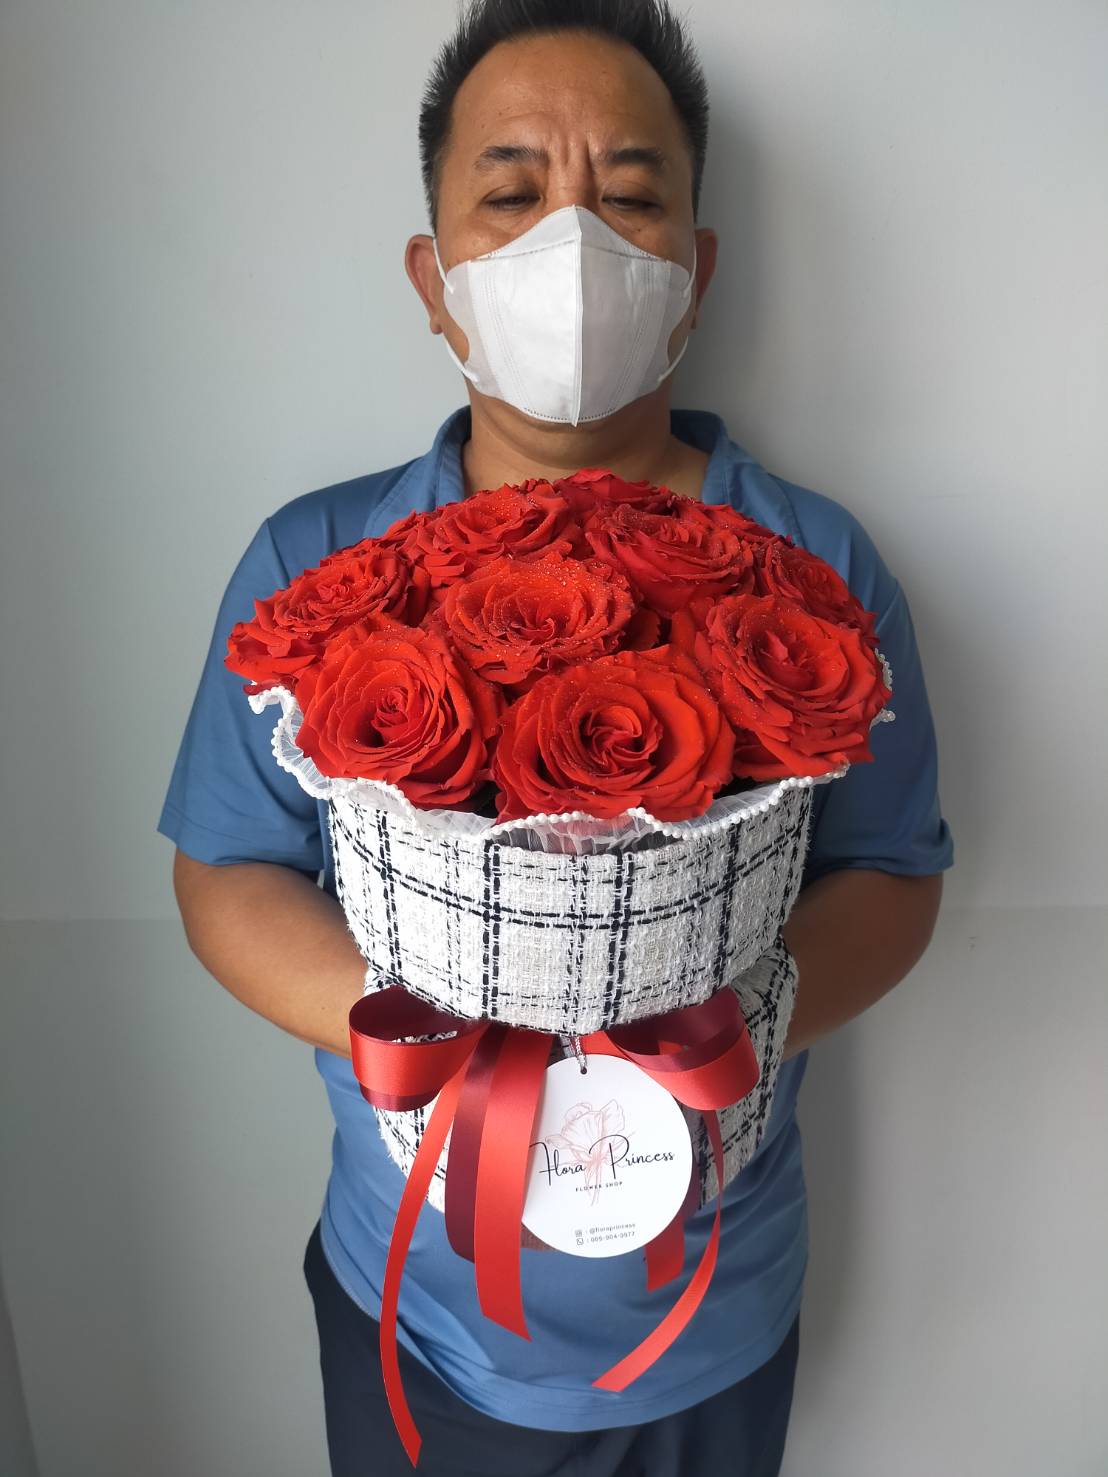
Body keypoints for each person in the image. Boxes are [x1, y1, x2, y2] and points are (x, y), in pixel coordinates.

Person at [159, 2, 953, 1473]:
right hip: (413, 1309)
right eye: (512, 195)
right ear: (435, 277)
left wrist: (730, 1025)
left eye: (630, 197)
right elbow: (225, 868)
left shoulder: (815, 571)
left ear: (697, 269)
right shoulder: (316, 568)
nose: (570, 243)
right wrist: (434, 1045)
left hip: (715, 1304)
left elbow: (894, 871)